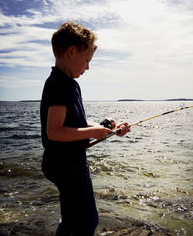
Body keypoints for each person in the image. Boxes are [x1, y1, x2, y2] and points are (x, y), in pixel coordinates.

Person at [40, 22, 130, 236]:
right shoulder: (61, 84)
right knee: (84, 223)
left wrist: (105, 128)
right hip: (67, 165)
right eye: (87, 60)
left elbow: (75, 124)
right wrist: (92, 132)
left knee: (77, 219)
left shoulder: (67, 82)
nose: (88, 67)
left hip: (65, 162)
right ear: (71, 52)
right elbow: (55, 132)